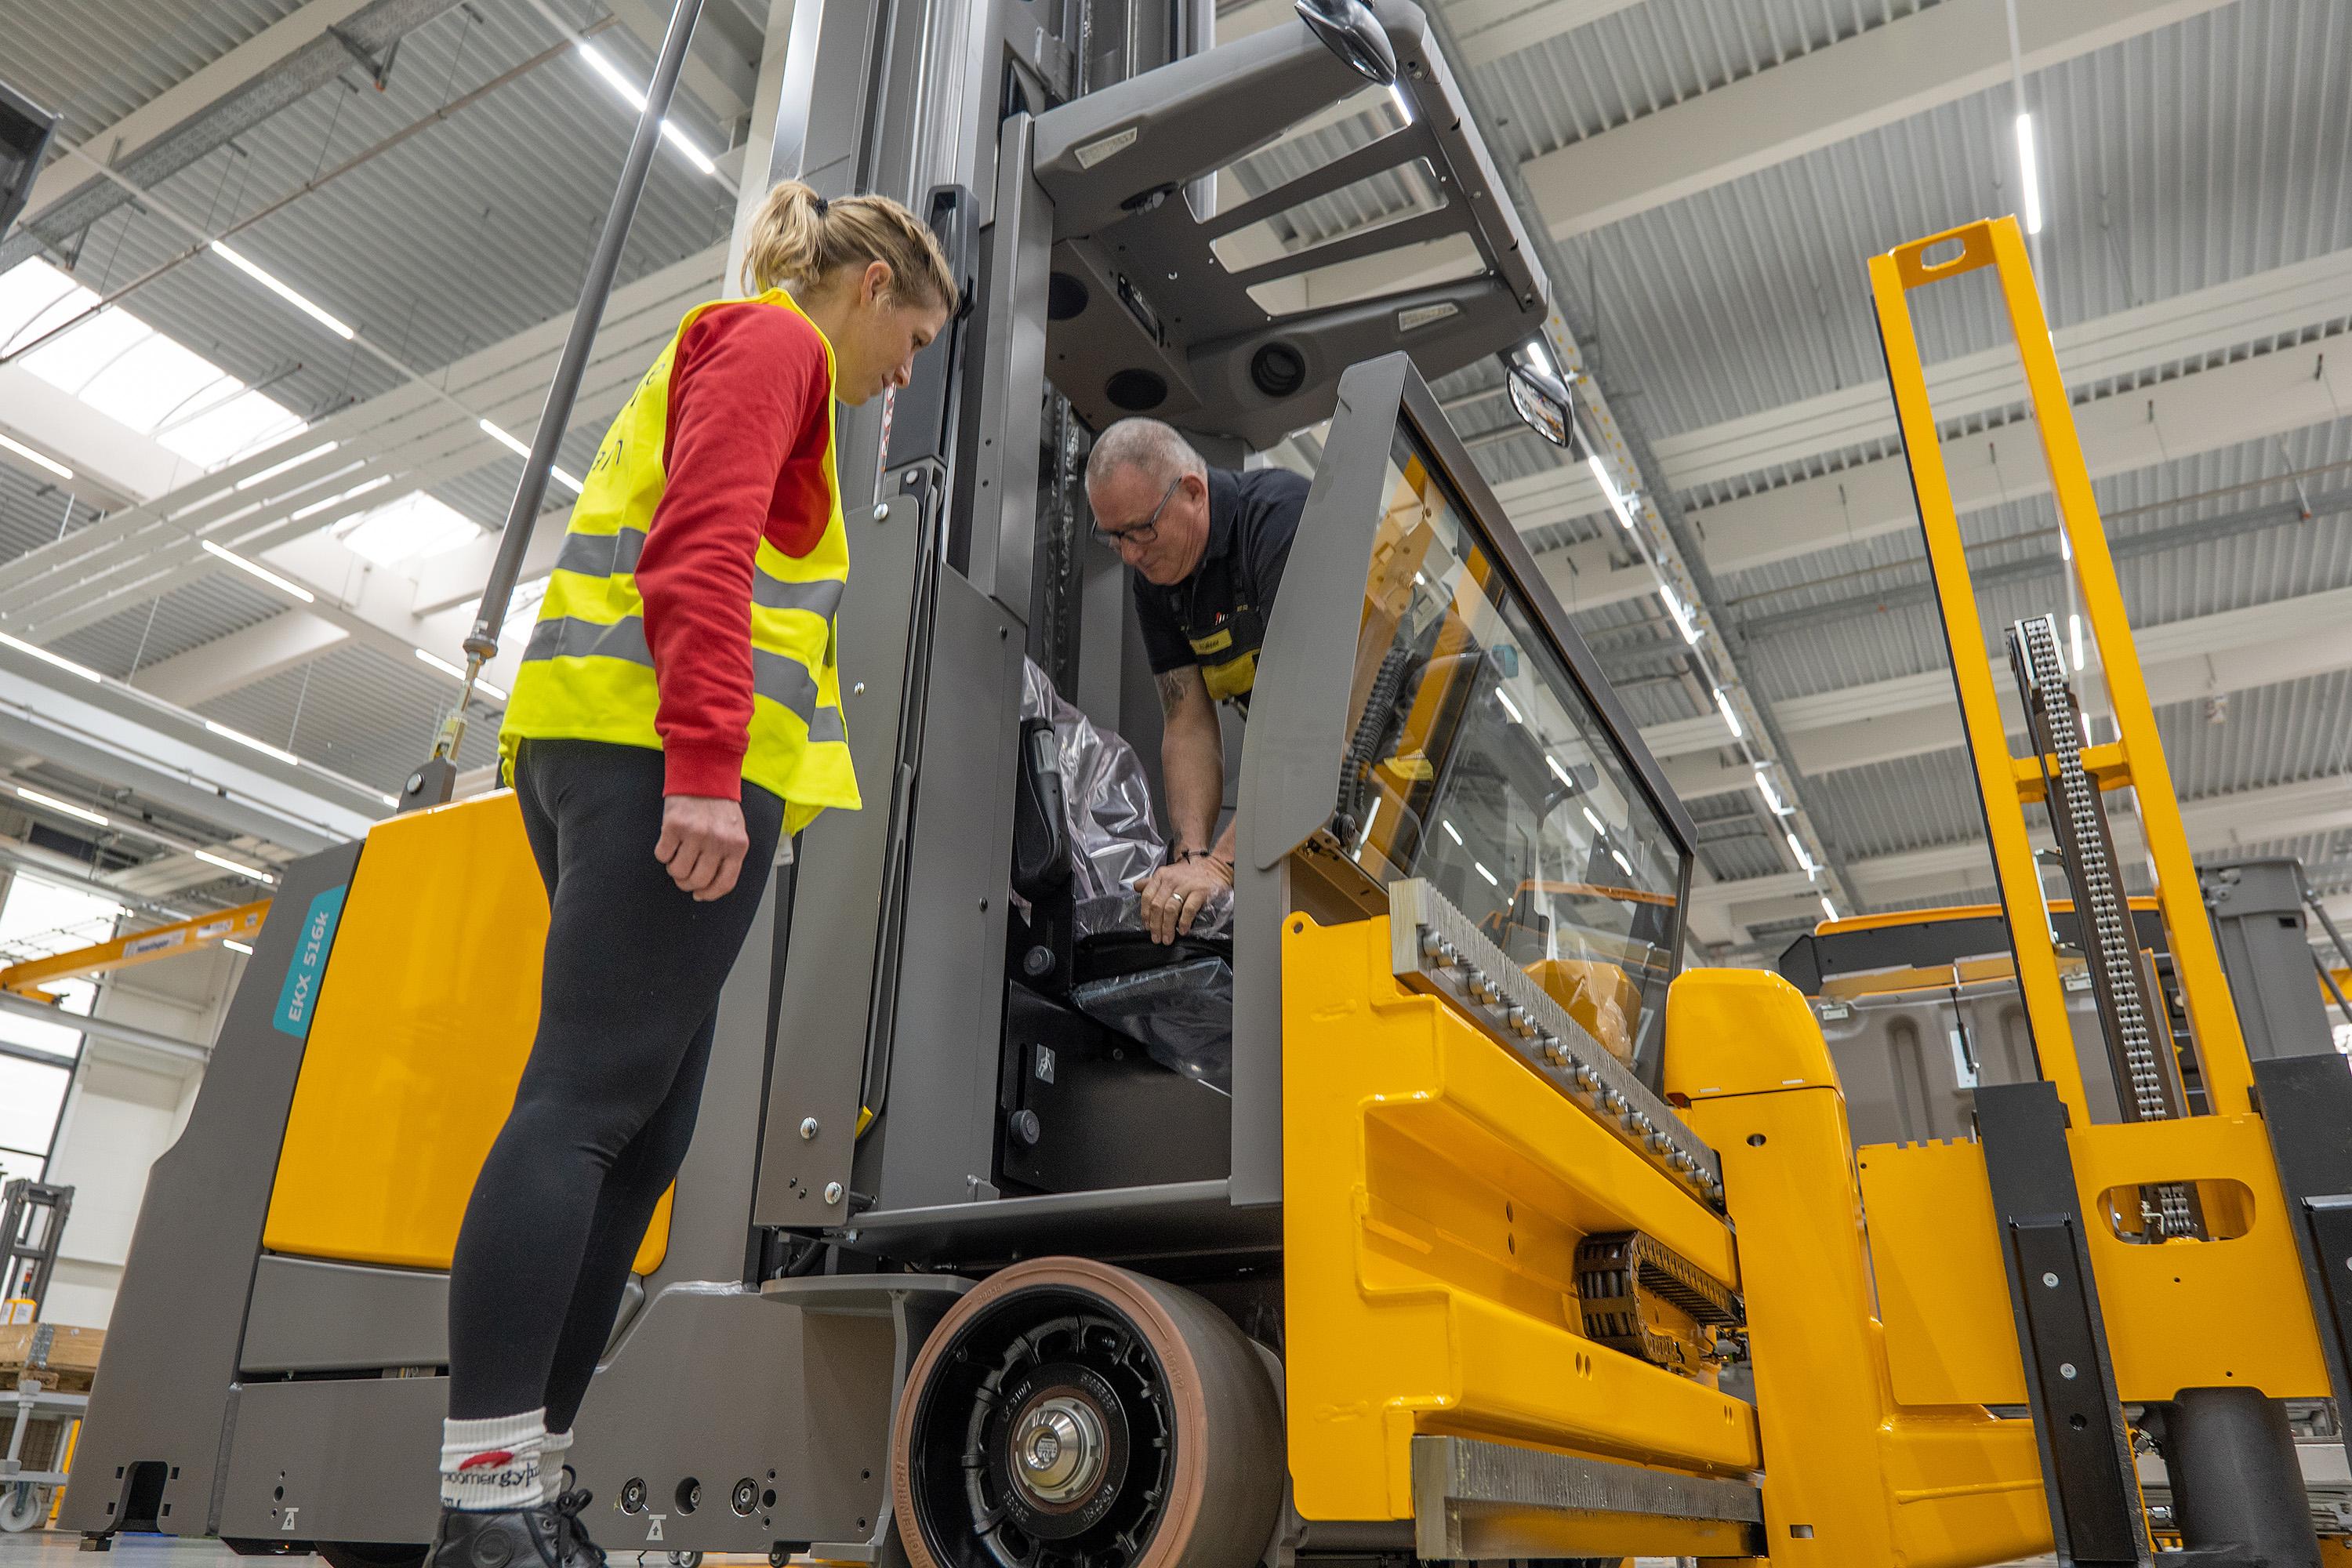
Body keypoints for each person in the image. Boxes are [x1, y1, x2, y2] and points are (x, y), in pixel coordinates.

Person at [430, 182, 956, 1568]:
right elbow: (698, 549)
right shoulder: (775, 343)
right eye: (911, 342)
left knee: (642, 1140)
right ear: (869, 289)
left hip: (630, 748)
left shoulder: (774, 366)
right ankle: (483, 1504)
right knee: (583, 1108)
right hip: (649, 752)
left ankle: (527, 1480)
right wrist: (710, 768)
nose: (904, 376)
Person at [1083, 419, 1308, 945]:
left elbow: (1308, 722)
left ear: (1192, 492)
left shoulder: (1281, 519)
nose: (1131, 554)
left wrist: (1224, 867)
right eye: (1115, 538)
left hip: (1391, 764)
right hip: (1305, 775)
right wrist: (1192, 859)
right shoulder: (1158, 580)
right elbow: (1186, 722)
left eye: (1141, 529)